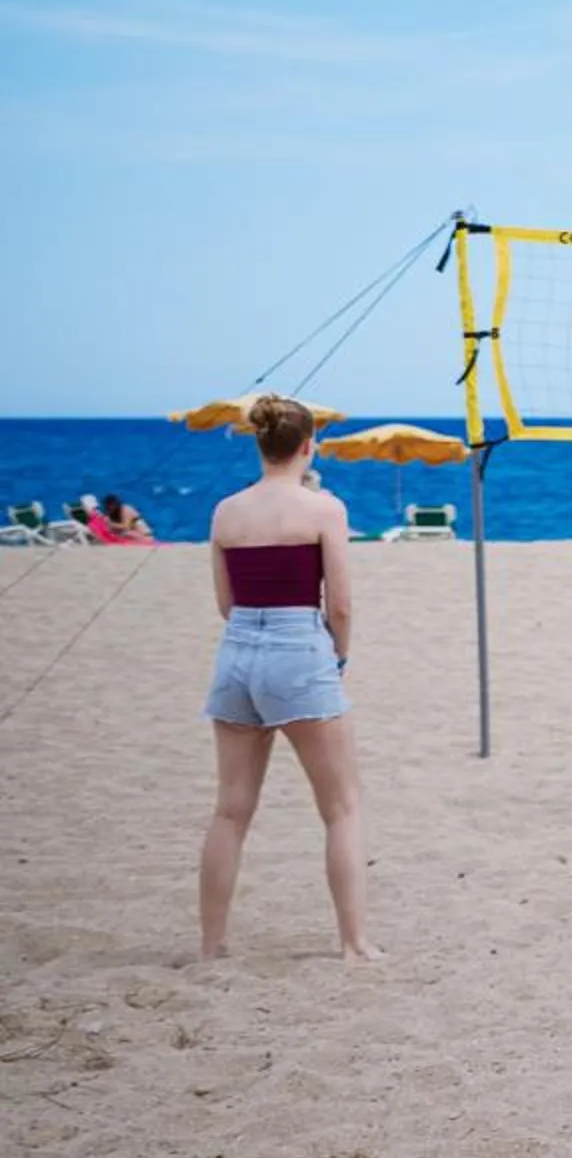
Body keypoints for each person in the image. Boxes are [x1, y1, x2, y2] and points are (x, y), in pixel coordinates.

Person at [197, 394, 376, 962]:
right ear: (308, 446)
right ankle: (353, 944)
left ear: (260, 442)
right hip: (299, 647)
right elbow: (340, 605)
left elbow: (225, 602)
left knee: (231, 810)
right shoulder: (324, 509)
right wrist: (338, 657)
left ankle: (211, 946)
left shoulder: (226, 511)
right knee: (341, 807)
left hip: (238, 649)